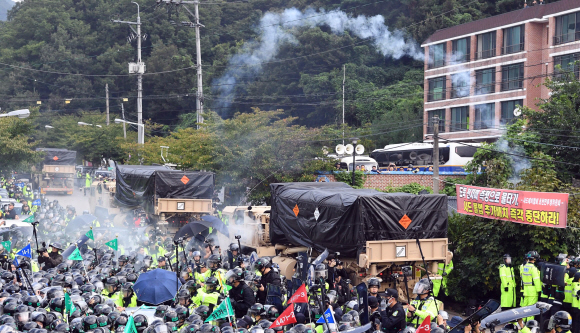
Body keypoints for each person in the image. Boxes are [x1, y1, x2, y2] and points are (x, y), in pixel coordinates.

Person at [520, 251, 542, 320]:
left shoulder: (525, 266)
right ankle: (529, 326)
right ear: (534, 259)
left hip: (526, 291)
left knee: (524, 309)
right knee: (531, 310)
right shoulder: (533, 268)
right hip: (532, 292)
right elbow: (536, 280)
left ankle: (522, 324)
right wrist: (539, 290)